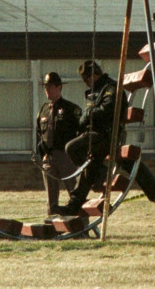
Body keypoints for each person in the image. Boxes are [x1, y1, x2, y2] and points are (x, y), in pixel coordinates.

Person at [54, 60, 123, 215]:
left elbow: (107, 110)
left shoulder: (109, 88)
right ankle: (74, 204)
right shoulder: (94, 91)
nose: (86, 83)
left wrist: (88, 115)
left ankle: (100, 172)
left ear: (93, 75)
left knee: (71, 148)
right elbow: (88, 116)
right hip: (95, 135)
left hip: (106, 135)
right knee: (88, 170)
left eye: (86, 79)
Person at [35, 72, 81, 215]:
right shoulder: (43, 110)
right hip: (48, 158)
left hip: (66, 157)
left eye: (50, 87)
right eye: (45, 87)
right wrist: (41, 151)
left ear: (59, 87)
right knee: (51, 197)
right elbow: (39, 132)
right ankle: (52, 226)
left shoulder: (70, 109)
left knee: (75, 193)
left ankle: (81, 226)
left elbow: (80, 132)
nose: (47, 90)